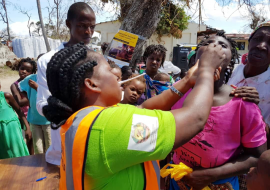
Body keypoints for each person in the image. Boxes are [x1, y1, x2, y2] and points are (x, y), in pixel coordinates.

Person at [42, 42, 225, 189]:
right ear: (92, 84)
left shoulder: (85, 120)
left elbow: (144, 109)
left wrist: (186, 81)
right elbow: (195, 118)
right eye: (108, 70)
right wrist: (207, 69)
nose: (118, 76)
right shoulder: (109, 125)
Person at [170, 31, 267, 190]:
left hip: (219, 184)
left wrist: (211, 175)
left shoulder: (242, 104)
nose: (214, 47)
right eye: (207, 43)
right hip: (177, 178)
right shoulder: (178, 92)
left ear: (230, 63)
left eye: (223, 45)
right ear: (196, 57)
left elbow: (256, 156)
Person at [36, 2, 96, 165]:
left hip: (93, 150)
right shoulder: (48, 61)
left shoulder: (98, 60)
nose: (88, 32)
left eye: (92, 27)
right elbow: (42, 103)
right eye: (82, 26)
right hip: (61, 155)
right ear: (69, 24)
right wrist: (67, 110)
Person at [227, 20, 270, 149]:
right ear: (250, 42)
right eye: (257, 39)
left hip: (248, 157)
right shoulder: (232, 71)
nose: (261, 46)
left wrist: (254, 111)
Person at [19, 72, 51, 154]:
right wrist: (27, 98)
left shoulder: (52, 78)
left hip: (49, 120)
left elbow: (51, 96)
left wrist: (37, 88)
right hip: (34, 119)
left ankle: (50, 166)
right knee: (38, 149)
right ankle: (40, 166)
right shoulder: (31, 78)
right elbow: (17, 86)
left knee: (50, 147)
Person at [10, 57, 37, 154]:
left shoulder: (33, 82)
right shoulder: (15, 85)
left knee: (38, 141)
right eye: (22, 68)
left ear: (32, 72)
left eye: (28, 70)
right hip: (25, 117)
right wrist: (33, 93)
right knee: (29, 140)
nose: (24, 72)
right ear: (18, 68)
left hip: (36, 115)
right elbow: (20, 102)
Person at [0, 82, 30, 159]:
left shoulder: (6, 96)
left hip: (12, 130)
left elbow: (19, 111)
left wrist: (27, 128)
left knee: (16, 152)